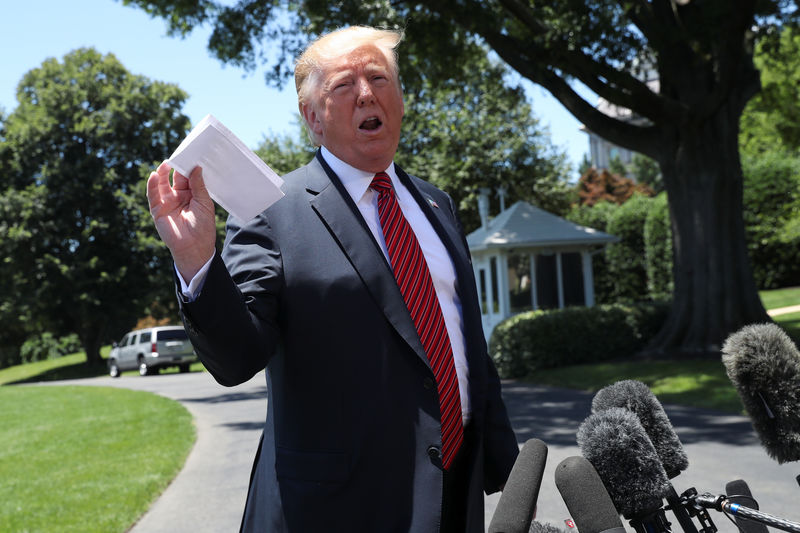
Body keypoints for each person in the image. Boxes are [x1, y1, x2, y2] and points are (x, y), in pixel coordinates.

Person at [147, 25, 519, 532]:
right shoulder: (272, 211)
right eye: (344, 85)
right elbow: (238, 358)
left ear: (401, 99)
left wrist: (506, 467)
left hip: (454, 497)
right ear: (312, 117)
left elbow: (462, 340)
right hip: (334, 510)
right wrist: (196, 261)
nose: (367, 93)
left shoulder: (437, 204)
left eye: (379, 78)